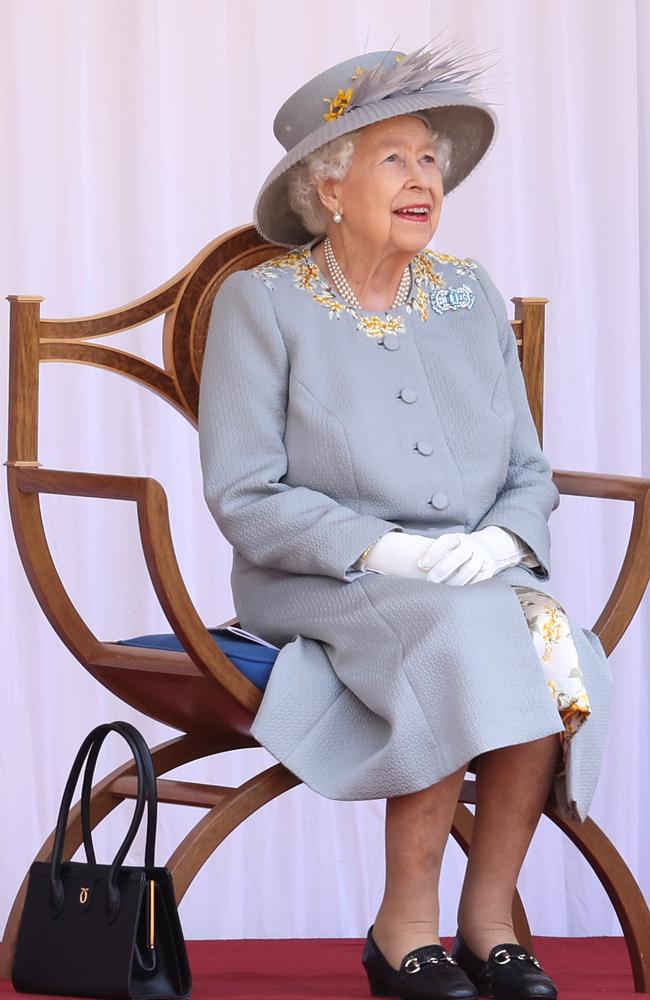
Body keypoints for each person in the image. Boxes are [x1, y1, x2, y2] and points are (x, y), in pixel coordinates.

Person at [198, 39, 613, 1000]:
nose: (424, 178)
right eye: (394, 158)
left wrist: (500, 543)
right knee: (464, 639)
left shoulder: (469, 295)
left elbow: (525, 466)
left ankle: (490, 921)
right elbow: (245, 492)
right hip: (324, 580)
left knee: (553, 637)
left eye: (430, 158)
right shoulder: (257, 304)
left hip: (476, 573)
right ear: (329, 188)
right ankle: (403, 929)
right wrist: (384, 549)